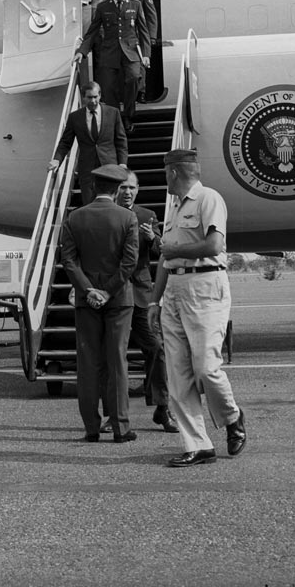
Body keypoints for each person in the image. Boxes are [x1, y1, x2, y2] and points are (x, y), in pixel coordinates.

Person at [148, 149, 247, 467]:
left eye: (165, 172)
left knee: (206, 367)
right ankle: (198, 446)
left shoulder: (209, 199)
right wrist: (154, 299)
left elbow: (215, 245)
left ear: (174, 172)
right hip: (174, 292)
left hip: (205, 288)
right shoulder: (173, 209)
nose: (164, 178)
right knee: (178, 375)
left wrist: (176, 249)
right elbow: (166, 257)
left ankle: (232, 417)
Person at [60, 164, 139, 443]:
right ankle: (120, 427)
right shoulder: (127, 218)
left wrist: (88, 290)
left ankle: (91, 428)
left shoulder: (74, 218)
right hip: (118, 300)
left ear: (93, 187)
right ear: (118, 189)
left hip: (86, 301)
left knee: (88, 362)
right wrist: (107, 291)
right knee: (117, 361)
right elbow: (129, 262)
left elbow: (68, 260)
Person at [115, 171, 177, 433]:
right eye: (122, 187)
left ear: (138, 190)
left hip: (140, 292)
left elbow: (162, 251)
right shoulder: (107, 214)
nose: (127, 192)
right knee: (113, 355)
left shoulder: (147, 216)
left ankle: (162, 408)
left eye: (131, 187)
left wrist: (153, 238)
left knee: (156, 348)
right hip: (115, 293)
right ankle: (113, 414)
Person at [75, 0, 150, 133]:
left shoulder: (135, 5)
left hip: (131, 51)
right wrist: (82, 51)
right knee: (108, 89)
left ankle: (128, 115)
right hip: (110, 52)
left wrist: (146, 54)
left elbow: (143, 32)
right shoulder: (103, 7)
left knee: (134, 78)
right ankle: (117, 120)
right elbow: (92, 32)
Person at [48, 81, 128, 205]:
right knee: (90, 205)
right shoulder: (75, 117)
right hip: (87, 170)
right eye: (89, 97)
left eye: (95, 97)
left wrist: (122, 163)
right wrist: (57, 160)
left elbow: (121, 140)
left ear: (100, 95)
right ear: (83, 97)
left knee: (112, 205)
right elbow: (65, 142)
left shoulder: (113, 113)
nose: (93, 101)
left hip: (109, 166)